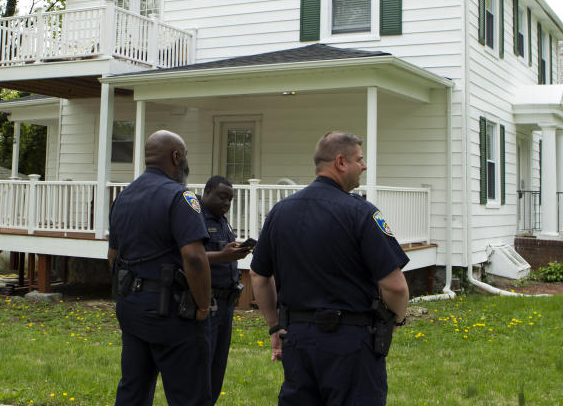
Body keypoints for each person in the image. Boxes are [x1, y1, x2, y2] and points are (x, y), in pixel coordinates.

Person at [250, 131, 410, 406]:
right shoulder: (360, 213)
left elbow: (258, 275)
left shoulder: (280, 211)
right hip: (350, 343)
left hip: (297, 340)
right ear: (340, 162)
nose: (364, 166)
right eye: (359, 159)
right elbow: (395, 286)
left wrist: (274, 325)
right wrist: (395, 322)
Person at [108, 130, 213, 406]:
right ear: (176, 157)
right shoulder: (181, 198)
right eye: (185, 156)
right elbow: (194, 257)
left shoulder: (123, 197)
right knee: (189, 395)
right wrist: (202, 306)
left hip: (132, 307)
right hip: (173, 314)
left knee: (133, 390)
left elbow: (112, 256)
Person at [200, 175, 253, 404]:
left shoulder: (222, 221)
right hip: (207, 301)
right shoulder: (196, 218)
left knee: (218, 365)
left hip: (226, 303)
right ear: (207, 191)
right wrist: (223, 256)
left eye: (230, 199)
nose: (226, 203)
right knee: (202, 363)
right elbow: (190, 257)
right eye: (222, 197)